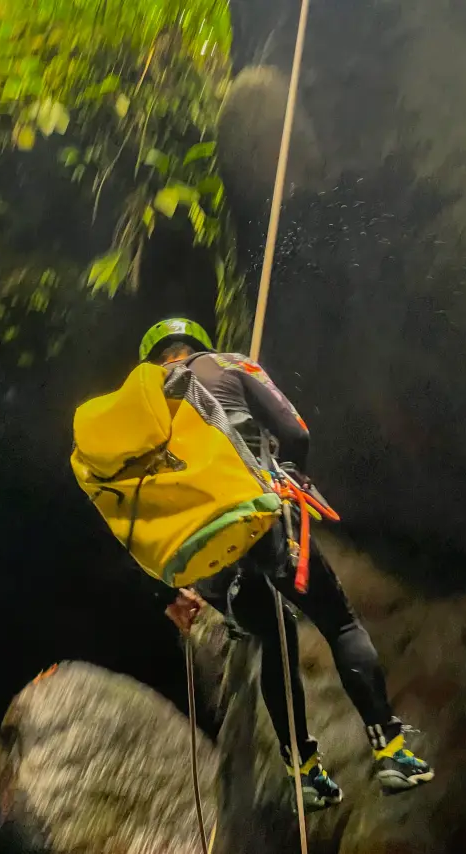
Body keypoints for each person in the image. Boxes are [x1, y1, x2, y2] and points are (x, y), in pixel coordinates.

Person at [139, 317, 435, 810]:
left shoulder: (145, 415)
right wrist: (288, 475)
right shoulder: (228, 364)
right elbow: (294, 433)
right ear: (196, 345)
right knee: (339, 623)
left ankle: (306, 773)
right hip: (261, 517)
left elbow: (139, 514)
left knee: (274, 640)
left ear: (152, 363)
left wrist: (167, 592)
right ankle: (391, 751)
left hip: (209, 558)